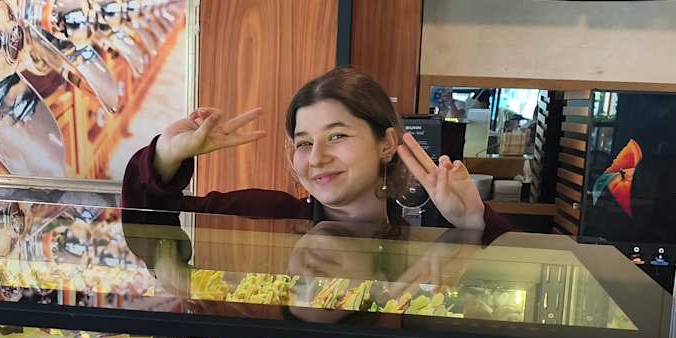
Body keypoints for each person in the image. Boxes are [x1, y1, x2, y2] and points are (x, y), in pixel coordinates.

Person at [121, 66, 510, 241]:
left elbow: (520, 295)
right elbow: (145, 227)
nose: (316, 157)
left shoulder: (422, 249)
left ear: (387, 144)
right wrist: (165, 158)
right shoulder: (260, 216)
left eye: (337, 136)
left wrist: (473, 222)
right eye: (304, 143)